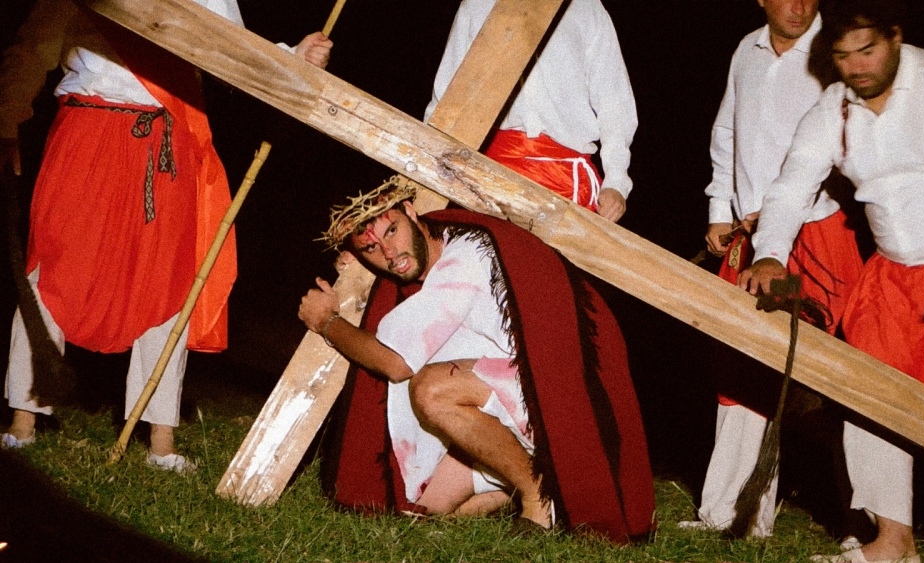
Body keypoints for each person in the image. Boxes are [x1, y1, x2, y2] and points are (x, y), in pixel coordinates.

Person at [0, 0, 332, 472]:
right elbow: (34, 49)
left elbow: (233, 50)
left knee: (168, 281)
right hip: (88, 128)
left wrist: (291, 57)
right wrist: (6, 120)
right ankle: (22, 425)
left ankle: (160, 442)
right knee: (53, 269)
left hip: (166, 142)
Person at [742, 0, 924, 561]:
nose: (857, 66)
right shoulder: (832, 109)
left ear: (895, 37)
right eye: (842, 55)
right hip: (889, 277)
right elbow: (792, 186)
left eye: (868, 49)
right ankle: (893, 541)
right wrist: (770, 256)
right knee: (865, 398)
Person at [297, 179, 655, 542]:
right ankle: (519, 482)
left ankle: (537, 493)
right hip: (503, 406)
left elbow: (395, 363)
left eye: (393, 230)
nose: (390, 253)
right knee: (417, 511)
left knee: (432, 391)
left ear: (410, 211)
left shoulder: (464, 258)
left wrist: (327, 322)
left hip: (547, 409)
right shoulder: (438, 249)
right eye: (372, 248)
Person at [684, 0, 863, 538]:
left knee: (835, 381)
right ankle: (729, 514)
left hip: (815, 235)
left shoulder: (835, 56)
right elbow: (727, 135)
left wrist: (794, 204)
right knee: (742, 366)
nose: (799, 5)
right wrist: (723, 210)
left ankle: (867, 522)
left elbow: (853, 151)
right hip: (750, 241)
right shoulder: (748, 50)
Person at [424, 0, 637, 222]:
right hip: (489, 175)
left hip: (566, 178)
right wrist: (426, 167)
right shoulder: (476, 5)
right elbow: (445, 102)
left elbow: (614, 101)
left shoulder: (585, 7)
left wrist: (616, 181)